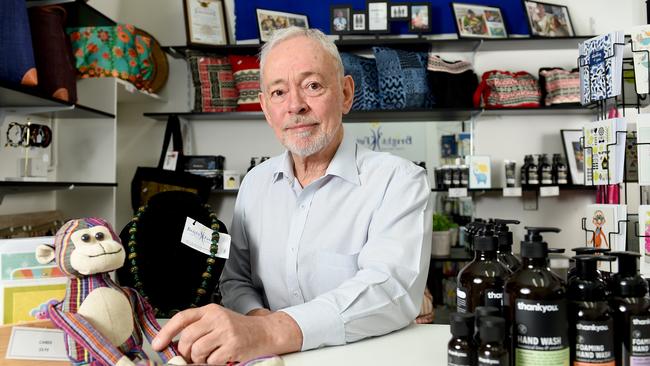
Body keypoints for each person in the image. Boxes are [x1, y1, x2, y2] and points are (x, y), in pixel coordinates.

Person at [152, 27, 432, 364]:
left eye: (312, 86)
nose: (295, 106)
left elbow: (390, 288)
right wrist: (256, 320)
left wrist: (270, 333)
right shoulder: (255, 184)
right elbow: (237, 279)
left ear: (345, 94)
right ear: (266, 109)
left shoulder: (399, 181)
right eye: (279, 92)